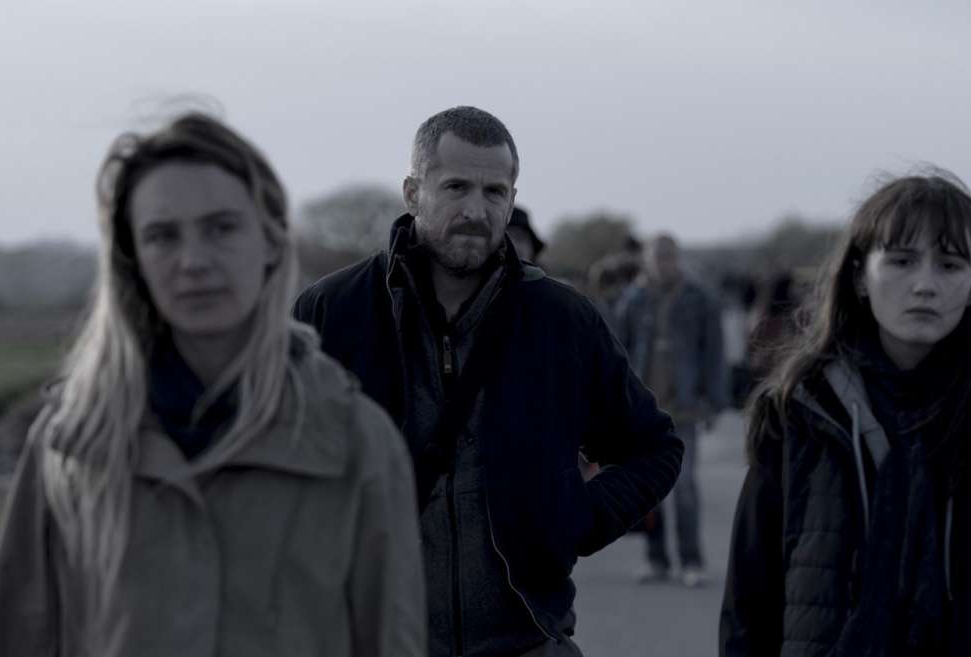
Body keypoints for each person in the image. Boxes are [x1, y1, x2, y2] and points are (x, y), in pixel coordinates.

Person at [0, 112, 425, 657]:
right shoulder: (73, 441)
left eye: (221, 228)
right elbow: (13, 638)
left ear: (270, 242)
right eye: (162, 236)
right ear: (133, 261)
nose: (193, 262)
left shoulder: (355, 442)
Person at [293, 106, 683, 657]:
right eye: (456, 187)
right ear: (413, 192)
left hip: (527, 641)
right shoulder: (332, 312)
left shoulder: (560, 319)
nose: (476, 210)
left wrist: (578, 518)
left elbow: (654, 447)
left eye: (495, 192)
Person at [720, 172, 971, 657]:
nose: (925, 285)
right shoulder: (802, 412)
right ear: (860, 276)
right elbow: (749, 604)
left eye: (949, 264)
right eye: (902, 261)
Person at [614, 233, 726, 587]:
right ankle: (656, 559)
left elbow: (713, 352)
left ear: (677, 258)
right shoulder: (634, 299)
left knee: (685, 486)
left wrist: (714, 401)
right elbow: (618, 350)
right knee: (651, 488)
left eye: (669, 256)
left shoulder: (699, 298)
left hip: (686, 407)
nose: (663, 263)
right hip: (646, 409)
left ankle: (692, 560)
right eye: (656, 256)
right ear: (646, 260)